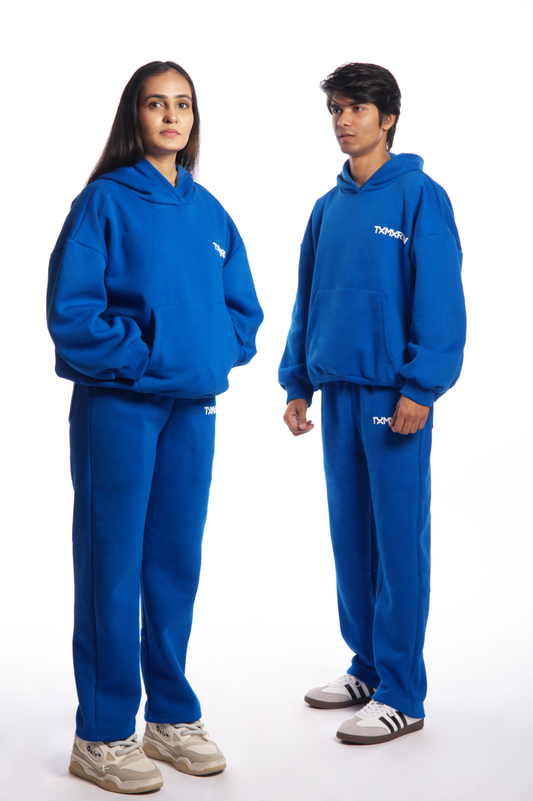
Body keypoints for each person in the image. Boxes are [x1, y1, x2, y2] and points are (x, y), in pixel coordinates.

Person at [47, 60, 263, 792]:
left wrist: (205, 356)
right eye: (155, 103)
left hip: (192, 407)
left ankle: (169, 716)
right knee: (112, 567)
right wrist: (147, 358)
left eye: (183, 104)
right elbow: (72, 314)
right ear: (133, 115)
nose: (172, 116)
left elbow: (243, 311)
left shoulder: (209, 211)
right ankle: (102, 733)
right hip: (120, 405)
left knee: (174, 563)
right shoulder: (104, 202)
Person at [279, 62, 466, 745]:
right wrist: (297, 381)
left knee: (397, 542)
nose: (342, 120)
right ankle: (366, 665)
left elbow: (440, 297)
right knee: (351, 537)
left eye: (355, 108)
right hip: (337, 393)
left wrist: (421, 385)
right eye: (335, 108)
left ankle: (403, 693)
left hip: (395, 395)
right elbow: (307, 298)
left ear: (387, 118)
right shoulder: (326, 208)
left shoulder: (421, 197)